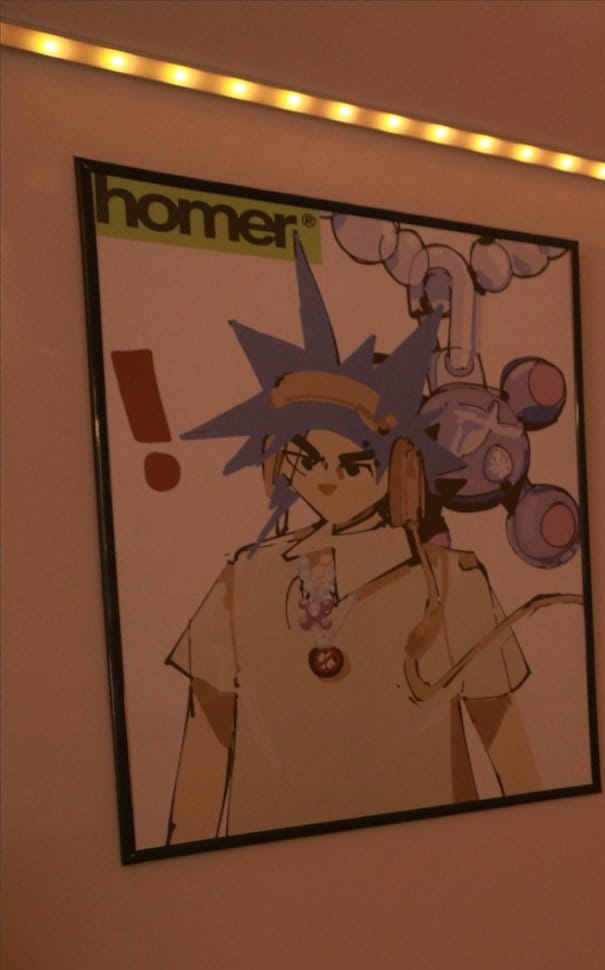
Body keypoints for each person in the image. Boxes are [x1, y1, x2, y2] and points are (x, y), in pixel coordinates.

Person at [167, 247, 545, 843]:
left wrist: (543, 849)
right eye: (307, 458)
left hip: (435, 853)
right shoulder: (247, 577)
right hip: (269, 858)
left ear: (397, 466)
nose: (327, 479)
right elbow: (208, 733)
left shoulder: (450, 580)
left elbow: (499, 729)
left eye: (355, 462)